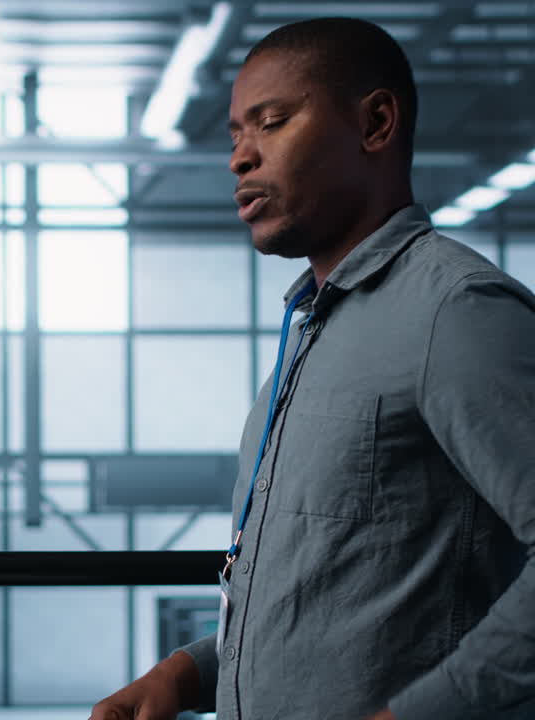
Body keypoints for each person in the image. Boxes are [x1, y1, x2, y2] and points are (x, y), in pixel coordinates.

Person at [91, 17, 535, 720]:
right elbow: (327, 608)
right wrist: (185, 674)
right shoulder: (312, 337)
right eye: (236, 134)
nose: (240, 157)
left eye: (271, 122)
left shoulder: (457, 312)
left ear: (376, 124)